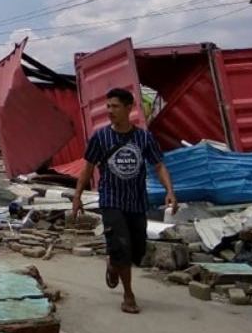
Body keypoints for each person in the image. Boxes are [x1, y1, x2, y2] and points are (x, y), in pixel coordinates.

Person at [71, 87, 177, 314]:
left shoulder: (144, 138)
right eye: (108, 106)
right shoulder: (101, 137)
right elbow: (88, 167)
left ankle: (114, 263)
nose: (110, 111)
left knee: (137, 250)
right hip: (111, 199)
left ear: (129, 108)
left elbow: (158, 165)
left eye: (115, 106)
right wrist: (77, 196)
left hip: (137, 202)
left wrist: (170, 191)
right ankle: (128, 294)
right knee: (122, 246)